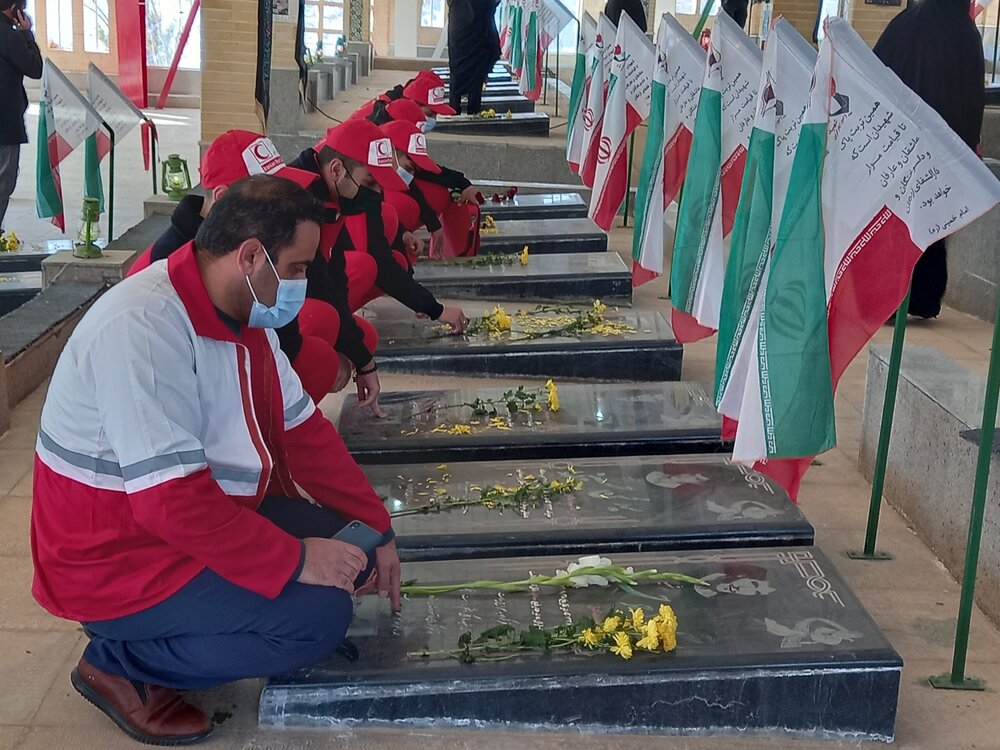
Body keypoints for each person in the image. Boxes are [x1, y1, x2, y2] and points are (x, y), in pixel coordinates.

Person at [31, 175, 402, 745]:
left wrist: (379, 527)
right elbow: (170, 504)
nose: (303, 283)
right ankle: (120, 664)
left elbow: (305, 433)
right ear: (251, 256)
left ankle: (190, 627)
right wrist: (295, 559)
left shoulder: (246, 312)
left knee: (355, 546)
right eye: (298, 268)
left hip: (190, 520)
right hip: (115, 560)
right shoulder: (143, 326)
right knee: (317, 618)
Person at [127, 130, 382, 410]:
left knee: (325, 331)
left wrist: (359, 358)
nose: (283, 209)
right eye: (269, 200)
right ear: (223, 200)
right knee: (315, 358)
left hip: (233, 374)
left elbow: (292, 321)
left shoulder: (258, 239)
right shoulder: (162, 278)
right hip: (185, 400)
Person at [288, 119, 468, 332]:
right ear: (337, 170)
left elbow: (375, 255)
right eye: (369, 182)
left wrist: (429, 306)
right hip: (282, 311)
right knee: (360, 271)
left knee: (366, 329)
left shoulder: (341, 189)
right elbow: (320, 279)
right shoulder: (294, 201)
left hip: (314, 285)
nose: (376, 193)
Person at [874, 0, 986, 319]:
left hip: (896, 144)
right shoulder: (964, 33)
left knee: (893, 224)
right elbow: (972, 99)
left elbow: (875, 71)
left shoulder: (903, 23)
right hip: (940, 150)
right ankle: (921, 298)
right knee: (931, 223)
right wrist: (968, 146)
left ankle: (887, 301)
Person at [0, 0, 42, 231]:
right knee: (4, 180)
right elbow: (35, 68)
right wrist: (27, 34)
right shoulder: (11, 36)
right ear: (14, 9)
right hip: (5, 122)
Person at [447, 0, 502, 115]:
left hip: (459, 23)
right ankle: (473, 109)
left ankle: (454, 108)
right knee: (477, 69)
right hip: (477, 25)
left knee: (458, 67)